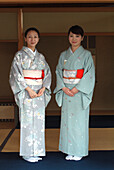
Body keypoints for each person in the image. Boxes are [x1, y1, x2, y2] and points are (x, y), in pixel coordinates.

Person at [9, 27, 51, 162]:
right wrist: (28, 89)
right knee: (27, 122)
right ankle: (27, 153)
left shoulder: (41, 57)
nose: (33, 39)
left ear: (38, 39)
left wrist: (44, 88)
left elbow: (47, 74)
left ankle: (37, 151)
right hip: (27, 92)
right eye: (30, 37)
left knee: (39, 122)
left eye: (35, 37)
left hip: (38, 92)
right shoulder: (19, 56)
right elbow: (16, 75)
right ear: (25, 39)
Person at [54, 25, 95, 161]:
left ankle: (79, 151)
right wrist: (64, 88)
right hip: (66, 92)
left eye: (77, 36)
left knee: (79, 122)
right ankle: (68, 150)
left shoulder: (86, 55)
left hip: (79, 93)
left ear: (82, 38)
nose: (74, 39)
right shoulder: (63, 55)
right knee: (67, 122)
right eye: (71, 36)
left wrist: (76, 89)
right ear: (68, 37)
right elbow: (58, 72)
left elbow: (90, 74)